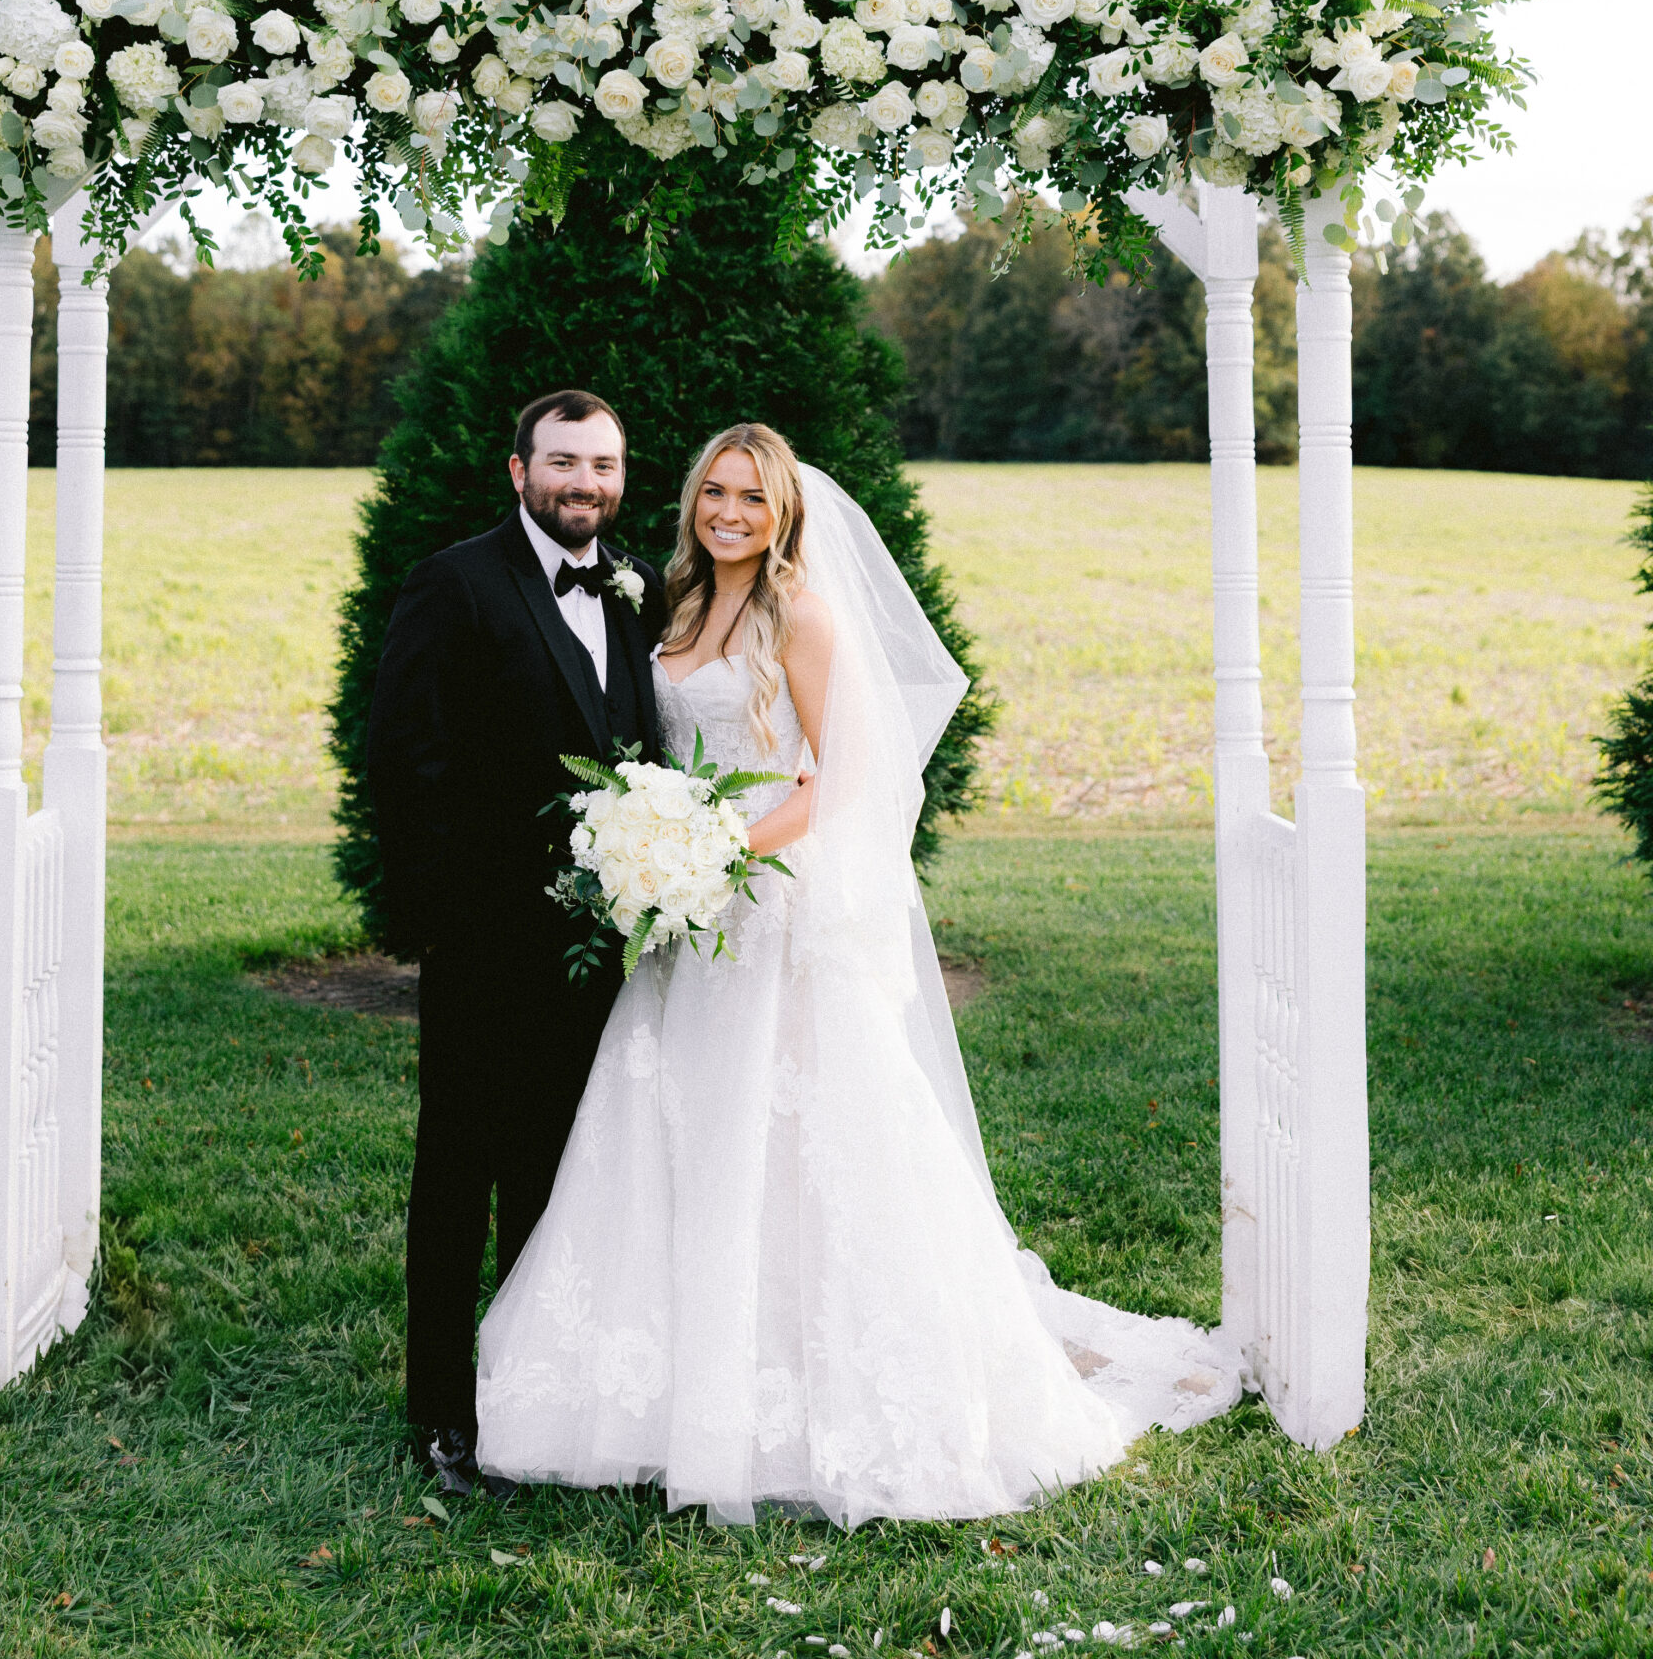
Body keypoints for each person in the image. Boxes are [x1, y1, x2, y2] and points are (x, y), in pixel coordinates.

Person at [475, 421, 1240, 1526]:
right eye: (716, 493)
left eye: (753, 498)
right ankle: (654, 1383)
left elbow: (843, 778)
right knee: (674, 1129)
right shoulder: (676, 605)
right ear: (694, 500)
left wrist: (720, 849)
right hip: (687, 916)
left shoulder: (804, 616)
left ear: (785, 513)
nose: (730, 512)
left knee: (792, 1143)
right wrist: (661, 843)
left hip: (762, 904)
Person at [366, 387, 668, 1499]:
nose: (584, 482)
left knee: (567, 1175)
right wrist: (452, 927)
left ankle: (543, 1394)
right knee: (460, 1178)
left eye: (603, 463)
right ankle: (443, 1409)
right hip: (487, 950)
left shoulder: (633, 589)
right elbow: (404, 761)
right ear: (517, 469)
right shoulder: (454, 584)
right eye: (563, 461)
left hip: (608, 958)